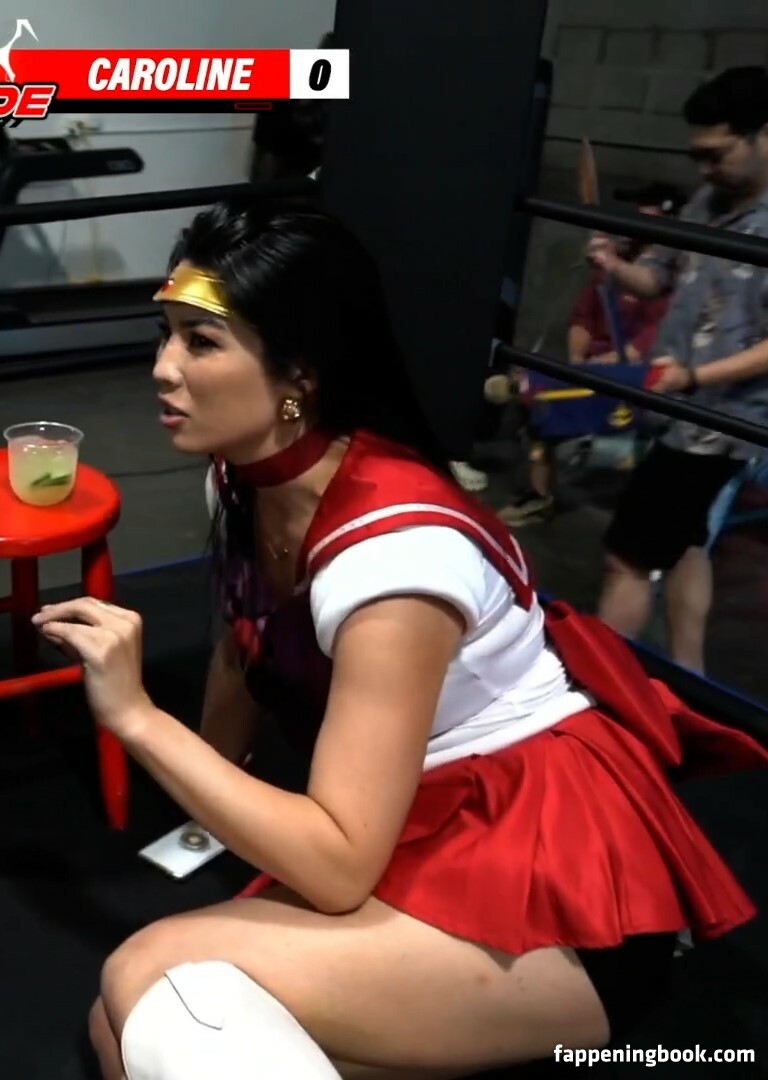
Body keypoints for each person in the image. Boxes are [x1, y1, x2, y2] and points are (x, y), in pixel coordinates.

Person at [33, 202, 767, 1080]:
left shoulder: (395, 559)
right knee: (123, 1029)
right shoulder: (245, 476)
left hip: (562, 894)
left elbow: (339, 868)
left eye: (201, 342)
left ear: (299, 373)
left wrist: (138, 717)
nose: (163, 368)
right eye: (167, 335)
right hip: (424, 822)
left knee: (148, 978)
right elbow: (245, 640)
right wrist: (208, 809)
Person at [591, 67, 768, 673]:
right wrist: (614, 263)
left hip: (721, 423)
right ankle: (688, 674)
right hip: (671, 406)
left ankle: (598, 688)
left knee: (627, 556)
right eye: (696, 156)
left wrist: (694, 379)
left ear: (762, 136)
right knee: (688, 545)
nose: (704, 169)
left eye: (716, 154)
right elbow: (656, 279)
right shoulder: (704, 203)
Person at [500, 183, 684, 528]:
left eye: (645, 209)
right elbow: (583, 318)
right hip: (593, 369)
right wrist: (577, 361)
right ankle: (540, 495)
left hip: (640, 377)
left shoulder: (676, 278)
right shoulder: (613, 264)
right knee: (533, 398)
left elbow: (648, 343)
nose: (635, 217)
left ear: (668, 216)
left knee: (536, 392)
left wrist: (594, 368)